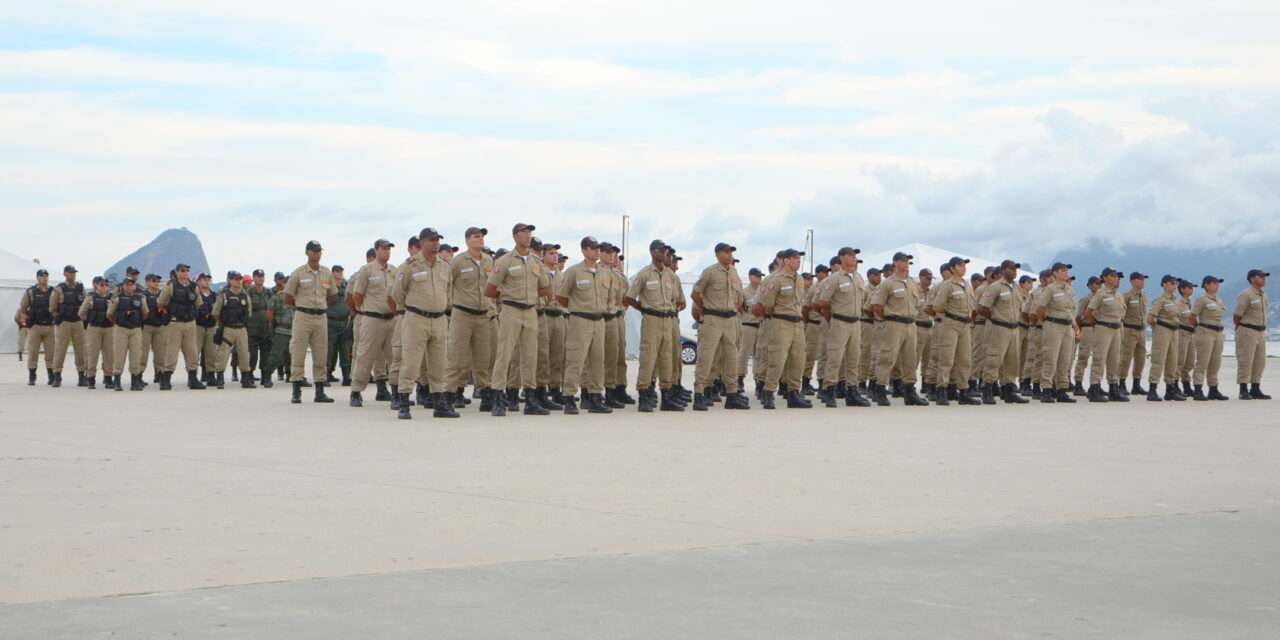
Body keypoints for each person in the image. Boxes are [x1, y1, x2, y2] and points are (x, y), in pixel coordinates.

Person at [486, 223, 553, 416]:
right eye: (524, 233)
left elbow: (546, 288)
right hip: (511, 311)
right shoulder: (506, 261)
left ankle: (531, 400)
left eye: (530, 233)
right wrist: (509, 296)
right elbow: (490, 289)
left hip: (530, 311)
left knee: (530, 356)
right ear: (515, 237)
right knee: (504, 354)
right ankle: (498, 398)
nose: (528, 236)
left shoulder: (536, 262)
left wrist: (531, 295)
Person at [392, 227, 457, 419]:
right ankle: (404, 403)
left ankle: (440, 405)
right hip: (416, 319)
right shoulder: (409, 265)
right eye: (431, 239)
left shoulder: (444, 265)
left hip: (439, 319)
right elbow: (398, 293)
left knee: (439, 364)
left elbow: (449, 291)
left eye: (437, 239)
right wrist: (415, 307)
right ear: (422, 243)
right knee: (411, 363)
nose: (436, 242)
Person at [554, 236, 614, 414]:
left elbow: (609, 296)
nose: (597, 251)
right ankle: (570, 397)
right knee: (575, 360)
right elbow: (562, 296)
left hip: (599, 320)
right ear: (584, 250)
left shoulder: (605, 272)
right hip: (580, 320)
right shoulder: (574, 272)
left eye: (599, 248)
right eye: (593, 248)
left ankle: (595, 397)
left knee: (597, 360)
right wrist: (577, 308)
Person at [690, 242, 749, 411]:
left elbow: (738, 298)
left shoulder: (734, 272)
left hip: (730, 320)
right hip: (713, 319)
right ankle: (699, 393)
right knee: (707, 356)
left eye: (731, 252)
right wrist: (705, 308)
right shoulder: (710, 272)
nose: (729, 255)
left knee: (731, 356)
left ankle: (732, 394)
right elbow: (695, 293)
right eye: (726, 252)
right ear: (717, 254)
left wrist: (733, 308)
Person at [754, 248, 812, 409]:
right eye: (794, 259)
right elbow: (767, 305)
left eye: (799, 259)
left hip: (797, 323)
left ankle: (793, 393)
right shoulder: (776, 279)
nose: (798, 261)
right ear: (785, 261)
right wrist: (778, 317)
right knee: (777, 360)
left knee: (798, 359)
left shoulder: (799, 279)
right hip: (781, 323)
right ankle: (768, 392)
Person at [867, 252, 927, 406]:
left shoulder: (912, 283)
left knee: (910, 359)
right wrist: (886, 319)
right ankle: (880, 389)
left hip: (911, 324)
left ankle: (909, 391)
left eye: (908, 261)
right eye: (903, 260)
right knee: (888, 357)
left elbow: (918, 305)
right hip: (894, 324)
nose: (906, 263)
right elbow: (876, 305)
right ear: (895, 263)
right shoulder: (888, 283)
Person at [283, 240, 340, 404]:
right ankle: (296, 390)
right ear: (307, 252)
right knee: (298, 352)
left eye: (319, 251)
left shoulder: (327, 273)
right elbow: (287, 297)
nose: (317, 254)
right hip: (302, 317)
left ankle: (320, 391)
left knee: (321, 353)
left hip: (321, 317)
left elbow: (332, 295)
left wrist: (319, 306)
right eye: (314, 251)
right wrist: (303, 306)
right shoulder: (298, 273)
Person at [815, 247, 872, 407]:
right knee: (835, 358)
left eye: (855, 255)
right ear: (841, 258)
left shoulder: (858, 277)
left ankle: (851, 391)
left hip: (856, 322)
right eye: (850, 255)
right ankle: (829, 390)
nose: (853, 258)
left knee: (854, 359)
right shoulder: (834, 278)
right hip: (840, 321)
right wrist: (832, 319)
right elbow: (824, 302)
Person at [348, 238, 396, 407]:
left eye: (389, 249)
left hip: (391, 320)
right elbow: (356, 295)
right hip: (372, 319)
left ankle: (396, 392)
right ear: (376, 250)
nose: (387, 251)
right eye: (384, 248)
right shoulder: (367, 270)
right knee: (364, 357)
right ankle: (356, 391)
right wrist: (364, 310)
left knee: (395, 358)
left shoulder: (394, 271)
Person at [976, 260, 1028, 404]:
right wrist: (995, 319)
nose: (1014, 271)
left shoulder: (1016, 287)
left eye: (1016, 269)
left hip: (1014, 328)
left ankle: (1009, 390)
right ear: (1004, 270)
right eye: (1011, 269)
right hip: (999, 327)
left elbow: (1019, 308)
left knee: (1012, 361)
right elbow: (982, 308)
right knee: (994, 359)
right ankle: (987, 389)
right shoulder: (995, 287)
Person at [157, 263, 207, 390]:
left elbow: (198, 304)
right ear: (177, 272)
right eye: (182, 271)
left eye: (187, 271)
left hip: (190, 323)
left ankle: (193, 379)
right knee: (171, 352)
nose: (185, 273)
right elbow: (161, 303)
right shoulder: (171, 286)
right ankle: (166, 379)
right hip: (175, 323)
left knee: (192, 352)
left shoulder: (193, 287)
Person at [1035, 262, 1078, 404]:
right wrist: (1048, 322)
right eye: (1062, 270)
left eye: (1066, 270)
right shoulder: (1050, 289)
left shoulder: (1069, 290)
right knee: (1050, 359)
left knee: (1065, 360)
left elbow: (1072, 310)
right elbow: (1040, 310)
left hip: (1067, 327)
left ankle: (1062, 390)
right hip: (1053, 325)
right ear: (1055, 273)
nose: (1066, 273)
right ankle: (1046, 389)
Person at [1085, 267, 1130, 402]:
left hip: (1117, 328)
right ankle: (1094, 388)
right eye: (1111, 275)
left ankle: (1113, 388)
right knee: (1099, 358)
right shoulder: (1100, 294)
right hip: (1103, 327)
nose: (1115, 278)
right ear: (1104, 278)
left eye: (1116, 276)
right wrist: (1097, 324)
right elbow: (1089, 312)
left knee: (1114, 360)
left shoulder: (1119, 295)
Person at [387, 236, 421, 409]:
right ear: (409, 249)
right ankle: (396, 393)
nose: (419, 250)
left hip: (422, 318)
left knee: (423, 358)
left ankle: (423, 391)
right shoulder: (402, 269)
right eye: (416, 247)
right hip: (404, 315)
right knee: (400, 355)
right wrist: (400, 311)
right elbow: (392, 296)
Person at [535, 239, 567, 410]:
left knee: (557, 356)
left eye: (556, 254)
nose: (555, 257)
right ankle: (540, 391)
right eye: (551, 253)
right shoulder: (539, 272)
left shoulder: (562, 275)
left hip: (559, 316)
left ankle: (555, 389)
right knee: (543, 356)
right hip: (545, 315)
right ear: (543, 256)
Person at [211, 271, 256, 389]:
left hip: (241, 328)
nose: (238, 281)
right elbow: (216, 313)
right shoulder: (224, 295)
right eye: (235, 279)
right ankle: (220, 378)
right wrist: (224, 323)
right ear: (230, 280)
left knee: (244, 354)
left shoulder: (245, 296)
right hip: (228, 328)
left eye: (239, 279)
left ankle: (245, 378)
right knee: (223, 353)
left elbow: (249, 313)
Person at [1145, 274, 1186, 401]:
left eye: (1176, 283)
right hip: (1162, 330)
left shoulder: (1175, 300)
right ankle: (1152, 390)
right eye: (1172, 283)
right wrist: (1157, 328)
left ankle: (1170, 389)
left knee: (1172, 361)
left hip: (1174, 331)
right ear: (1165, 284)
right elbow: (1150, 318)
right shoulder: (1160, 299)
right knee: (1159, 360)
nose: (1175, 285)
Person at [1233, 269, 1270, 400]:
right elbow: (1237, 315)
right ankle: (1243, 389)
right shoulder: (1246, 295)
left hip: (1260, 331)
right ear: (1253, 279)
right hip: (1248, 330)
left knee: (1259, 361)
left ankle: (1255, 388)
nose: (1264, 279)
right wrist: (1240, 328)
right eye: (1261, 277)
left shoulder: (1263, 295)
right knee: (1245, 360)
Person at [1190, 275, 1229, 401]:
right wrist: (1200, 328)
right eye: (1214, 283)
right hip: (1205, 331)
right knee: (1203, 361)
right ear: (1206, 285)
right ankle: (1198, 389)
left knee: (1215, 362)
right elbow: (1192, 317)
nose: (1217, 285)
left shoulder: (1218, 299)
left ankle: (1213, 389)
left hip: (1218, 332)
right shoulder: (1202, 299)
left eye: (1217, 283)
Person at [108, 277, 149, 391]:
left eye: (132, 284)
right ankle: (117, 381)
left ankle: (134, 382)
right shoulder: (117, 299)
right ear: (123, 286)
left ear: (134, 286)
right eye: (127, 284)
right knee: (119, 355)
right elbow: (110, 314)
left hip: (135, 329)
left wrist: (138, 322)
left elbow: (145, 313)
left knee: (136, 355)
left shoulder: (140, 298)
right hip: (121, 329)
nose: (129, 286)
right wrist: (118, 322)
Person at [49, 265, 87, 387]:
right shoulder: (59, 289)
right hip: (64, 322)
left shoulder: (80, 288)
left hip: (77, 322)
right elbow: (52, 307)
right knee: (60, 349)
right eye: (70, 272)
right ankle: (57, 376)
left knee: (80, 349)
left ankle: (82, 376)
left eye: (74, 272)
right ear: (65, 274)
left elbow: (86, 303)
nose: (73, 274)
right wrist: (59, 316)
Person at [18, 268, 56, 386]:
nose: (44, 278)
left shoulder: (52, 291)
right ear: (37, 277)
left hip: (49, 326)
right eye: (42, 276)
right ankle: (32, 376)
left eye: (46, 276)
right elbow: (23, 307)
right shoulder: (31, 291)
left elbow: (57, 306)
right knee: (33, 352)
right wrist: (28, 318)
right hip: (35, 326)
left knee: (50, 353)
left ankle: (51, 376)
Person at [77, 276, 114, 389]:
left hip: (108, 328)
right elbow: (81, 313)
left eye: (106, 285)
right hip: (94, 328)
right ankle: (91, 378)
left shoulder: (112, 297)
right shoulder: (91, 297)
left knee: (109, 354)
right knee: (92, 353)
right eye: (102, 285)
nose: (104, 287)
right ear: (96, 286)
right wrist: (90, 320)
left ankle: (108, 378)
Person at [1119, 272, 1150, 397]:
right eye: (1140, 279)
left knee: (1141, 358)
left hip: (1142, 330)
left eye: (1143, 279)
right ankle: (1121, 383)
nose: (1143, 281)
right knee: (1125, 358)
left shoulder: (1144, 296)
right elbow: (1121, 314)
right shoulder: (1126, 296)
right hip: (1129, 330)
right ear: (1132, 281)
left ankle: (1136, 384)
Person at [1072, 276, 1102, 395]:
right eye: (1095, 283)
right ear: (1089, 285)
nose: (1098, 285)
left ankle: (1095, 384)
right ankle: (1078, 383)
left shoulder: (1103, 297)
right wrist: (1077, 335)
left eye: (1099, 283)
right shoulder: (1086, 299)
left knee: (1098, 357)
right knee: (1083, 356)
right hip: (1087, 328)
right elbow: (1078, 318)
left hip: (1099, 329)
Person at [324, 265, 354, 386]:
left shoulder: (346, 287)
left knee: (345, 350)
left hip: (345, 322)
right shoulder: (328, 287)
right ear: (332, 273)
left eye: (341, 271)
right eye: (337, 271)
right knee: (329, 350)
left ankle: (346, 376)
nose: (340, 273)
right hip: (331, 322)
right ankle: (325, 375)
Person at [265, 275, 295, 388]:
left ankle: (292, 375)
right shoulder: (277, 297)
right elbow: (269, 315)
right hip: (281, 330)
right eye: (289, 283)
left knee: (293, 356)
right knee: (276, 354)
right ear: (284, 283)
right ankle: (267, 375)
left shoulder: (297, 298)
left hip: (294, 330)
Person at [246, 269, 274, 386]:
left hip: (266, 328)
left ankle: (266, 377)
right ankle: (249, 375)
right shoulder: (248, 293)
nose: (260, 278)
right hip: (252, 328)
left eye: (262, 276)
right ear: (254, 278)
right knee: (251, 355)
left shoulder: (269, 293)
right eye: (258, 276)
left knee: (266, 354)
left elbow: (274, 308)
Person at [1174, 280, 1196, 397]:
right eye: (1189, 287)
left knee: (1190, 362)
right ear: (1182, 289)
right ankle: (1175, 385)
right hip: (1181, 333)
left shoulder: (1191, 303)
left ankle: (1186, 386)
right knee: (1179, 361)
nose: (1191, 289)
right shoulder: (1177, 303)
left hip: (1191, 334)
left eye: (1192, 287)